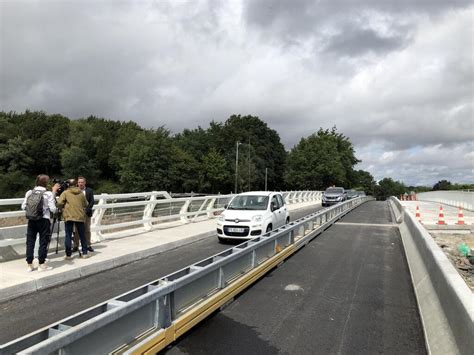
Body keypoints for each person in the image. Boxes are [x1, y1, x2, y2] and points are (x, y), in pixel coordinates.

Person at [21, 174, 60, 272]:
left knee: (30, 242)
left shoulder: (30, 192)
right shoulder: (48, 194)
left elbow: (23, 206)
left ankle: (29, 265)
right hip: (44, 220)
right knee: (43, 242)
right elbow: (53, 209)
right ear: (46, 183)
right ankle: (41, 264)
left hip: (32, 220)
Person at [57, 179, 89, 259]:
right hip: (80, 216)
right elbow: (86, 204)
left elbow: (59, 203)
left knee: (68, 235)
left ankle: (68, 255)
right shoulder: (81, 193)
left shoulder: (65, 193)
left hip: (69, 216)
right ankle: (85, 253)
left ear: (68, 185)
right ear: (76, 184)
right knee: (82, 235)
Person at [73, 176, 94, 252]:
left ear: (85, 183)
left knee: (87, 230)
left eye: (82, 182)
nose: (80, 184)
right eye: (79, 182)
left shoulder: (89, 190)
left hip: (86, 213)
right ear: (77, 183)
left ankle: (88, 245)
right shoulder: (74, 190)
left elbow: (92, 201)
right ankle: (76, 245)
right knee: (76, 230)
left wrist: (87, 209)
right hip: (77, 213)